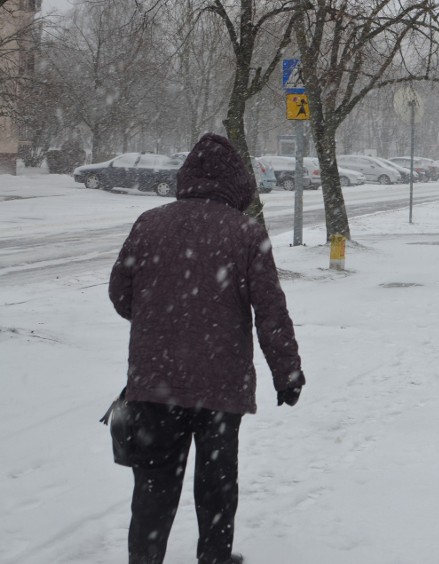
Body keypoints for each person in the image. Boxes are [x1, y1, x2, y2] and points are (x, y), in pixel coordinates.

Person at [109, 133, 305, 564]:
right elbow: (270, 310)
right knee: (216, 483)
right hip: (220, 386)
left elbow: (120, 295)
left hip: (155, 382)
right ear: (237, 186)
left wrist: (160, 323)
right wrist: (287, 371)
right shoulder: (245, 233)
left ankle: (145, 558)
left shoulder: (148, 223)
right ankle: (214, 558)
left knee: (153, 485)